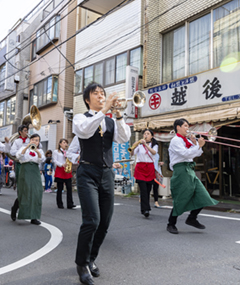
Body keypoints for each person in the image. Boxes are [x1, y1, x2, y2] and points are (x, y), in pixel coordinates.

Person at [73, 82, 131, 285]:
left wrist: (118, 115)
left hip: (106, 173)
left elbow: (124, 138)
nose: (100, 96)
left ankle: (91, 259)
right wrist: (105, 109)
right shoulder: (80, 118)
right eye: (96, 93)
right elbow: (85, 132)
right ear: (87, 99)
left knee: (105, 222)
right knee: (92, 220)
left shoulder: (110, 121)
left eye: (102, 93)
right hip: (87, 172)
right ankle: (81, 264)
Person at [167, 118, 219, 235]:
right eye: (185, 126)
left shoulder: (186, 140)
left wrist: (196, 144)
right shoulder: (176, 140)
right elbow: (186, 153)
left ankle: (192, 218)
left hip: (190, 169)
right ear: (178, 127)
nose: (187, 128)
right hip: (180, 170)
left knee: (203, 195)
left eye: (187, 126)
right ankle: (171, 223)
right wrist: (197, 146)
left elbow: (197, 153)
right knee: (181, 197)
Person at [13, 134, 45, 225]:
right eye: (33, 140)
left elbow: (41, 160)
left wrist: (37, 151)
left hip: (35, 170)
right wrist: (27, 147)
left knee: (37, 192)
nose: (35, 142)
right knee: (24, 192)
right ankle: (15, 209)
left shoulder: (40, 150)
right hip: (25, 169)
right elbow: (19, 156)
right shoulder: (23, 148)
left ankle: (34, 217)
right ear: (30, 140)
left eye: (37, 140)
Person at [131, 129, 158, 218]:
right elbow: (132, 154)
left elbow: (154, 152)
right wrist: (134, 146)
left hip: (149, 167)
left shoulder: (154, 145)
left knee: (148, 189)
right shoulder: (139, 145)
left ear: (152, 136)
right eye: (144, 134)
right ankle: (146, 209)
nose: (145, 135)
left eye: (148, 134)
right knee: (143, 190)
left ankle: (144, 208)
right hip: (140, 167)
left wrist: (146, 145)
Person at [9, 125, 30, 221]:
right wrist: (22, 151)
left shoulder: (31, 140)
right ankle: (15, 209)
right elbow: (12, 152)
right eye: (25, 131)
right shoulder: (17, 142)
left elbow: (39, 147)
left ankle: (32, 216)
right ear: (20, 132)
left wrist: (33, 142)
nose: (27, 132)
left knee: (31, 191)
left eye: (27, 130)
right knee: (22, 191)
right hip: (20, 165)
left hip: (30, 165)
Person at [53, 139, 76, 209]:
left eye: (66, 143)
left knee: (69, 187)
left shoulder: (67, 152)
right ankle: (59, 203)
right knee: (60, 188)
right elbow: (54, 160)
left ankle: (70, 203)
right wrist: (61, 164)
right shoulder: (56, 151)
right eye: (64, 143)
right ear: (60, 144)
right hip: (60, 170)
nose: (65, 144)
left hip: (67, 170)